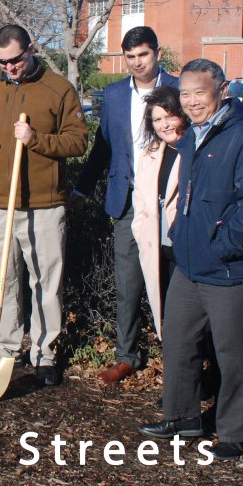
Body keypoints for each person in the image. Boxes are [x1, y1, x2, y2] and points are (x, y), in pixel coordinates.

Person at [138, 59, 243, 460]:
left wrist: (223, 245)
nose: (192, 101)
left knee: (234, 354)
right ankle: (182, 416)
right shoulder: (193, 135)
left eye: (200, 92)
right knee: (178, 340)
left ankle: (234, 432)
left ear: (221, 89)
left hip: (228, 268)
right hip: (190, 264)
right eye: (186, 94)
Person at [0, 24, 88, 386]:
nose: (10, 68)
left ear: (31, 48)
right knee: (2, 281)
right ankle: (5, 349)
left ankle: (44, 353)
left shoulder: (58, 89)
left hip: (44, 205)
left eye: (16, 60)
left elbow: (78, 141)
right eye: (2, 62)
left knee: (45, 283)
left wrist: (36, 140)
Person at [72, 27, 178, 384]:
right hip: (127, 200)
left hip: (169, 200)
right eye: (130, 57)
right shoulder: (116, 95)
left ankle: (178, 355)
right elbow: (104, 147)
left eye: (143, 55)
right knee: (127, 281)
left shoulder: (179, 89)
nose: (136, 63)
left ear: (157, 53)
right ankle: (127, 355)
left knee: (175, 281)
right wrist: (82, 189)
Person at [130, 87, 189, 342]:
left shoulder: (195, 151)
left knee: (188, 317)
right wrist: (141, 232)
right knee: (167, 312)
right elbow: (141, 201)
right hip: (158, 248)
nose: (164, 125)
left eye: (169, 116)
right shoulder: (151, 153)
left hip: (186, 250)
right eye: (157, 119)